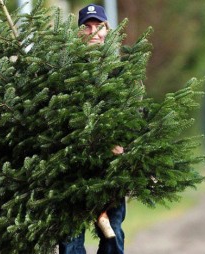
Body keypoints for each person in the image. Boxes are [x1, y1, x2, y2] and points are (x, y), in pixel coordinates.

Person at [58, 4, 126, 254]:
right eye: (87, 27)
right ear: (78, 33)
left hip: (110, 168)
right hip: (71, 170)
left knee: (113, 230)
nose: (93, 32)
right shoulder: (65, 72)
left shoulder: (120, 72)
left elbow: (136, 116)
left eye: (99, 27)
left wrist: (122, 144)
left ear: (108, 30)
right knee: (70, 234)